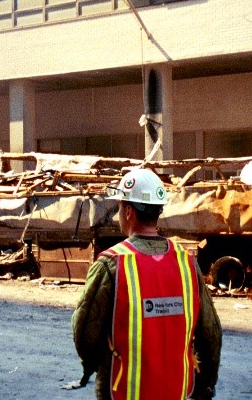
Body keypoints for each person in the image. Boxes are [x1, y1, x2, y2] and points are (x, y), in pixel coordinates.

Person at [71, 168, 222, 399]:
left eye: (120, 206)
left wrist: (98, 362)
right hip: (176, 392)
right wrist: (206, 383)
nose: (118, 213)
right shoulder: (186, 263)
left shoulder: (111, 264)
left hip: (123, 392)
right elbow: (210, 333)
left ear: (129, 211)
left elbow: (84, 334)